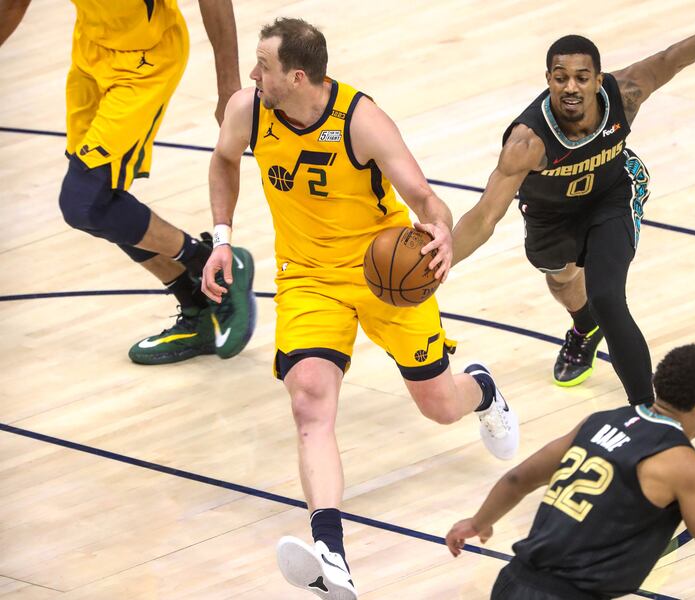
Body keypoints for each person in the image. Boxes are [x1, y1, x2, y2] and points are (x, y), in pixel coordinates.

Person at [201, 17, 520, 600]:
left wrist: (442, 230)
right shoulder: (248, 109)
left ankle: (483, 389)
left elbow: (422, 195)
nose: (253, 74)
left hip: (384, 271)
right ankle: (331, 555)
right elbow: (223, 161)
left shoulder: (361, 121)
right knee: (309, 399)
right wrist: (221, 238)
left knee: (441, 406)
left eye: (264, 66)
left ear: (296, 76)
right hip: (307, 278)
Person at [451, 10, 695, 403]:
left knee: (606, 296)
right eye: (560, 77)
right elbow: (484, 216)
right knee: (562, 279)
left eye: (582, 77)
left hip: (611, 195)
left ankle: (647, 413)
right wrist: (441, 261)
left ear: (598, 80)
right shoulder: (526, 142)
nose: (571, 87)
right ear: (548, 80)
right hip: (551, 213)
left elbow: (673, 57)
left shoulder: (625, 93)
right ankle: (584, 328)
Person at [0, 0, 256, 364]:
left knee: (84, 203)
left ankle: (207, 263)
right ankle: (197, 302)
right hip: (91, 53)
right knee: (102, 203)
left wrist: (228, 85)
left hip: (145, 63)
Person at [447, 343, 695, 598]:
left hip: (512, 583)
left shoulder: (600, 421)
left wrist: (478, 521)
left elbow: (518, 478)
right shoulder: (687, 466)